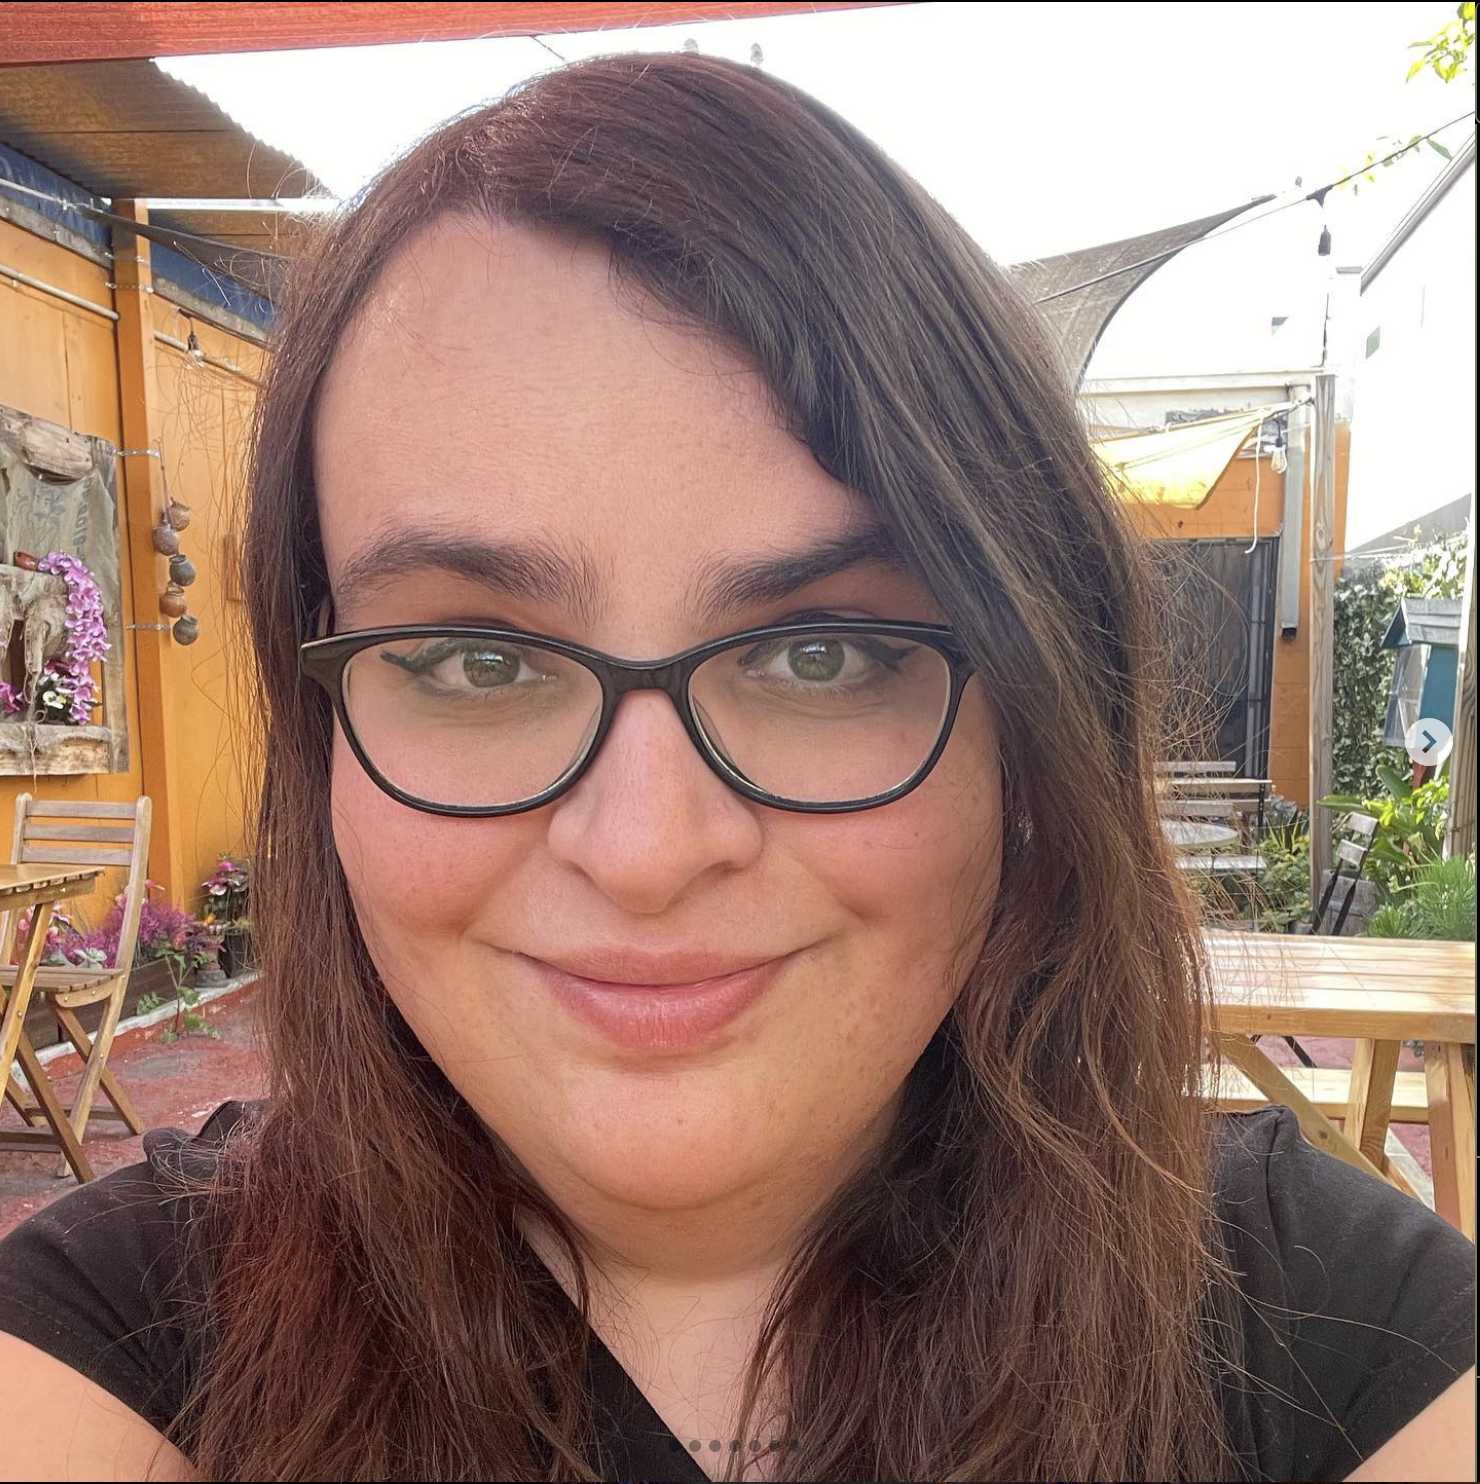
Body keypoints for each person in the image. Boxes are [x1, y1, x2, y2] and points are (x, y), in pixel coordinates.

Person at [0, 52, 1472, 1484]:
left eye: (820, 654)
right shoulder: (114, 1340)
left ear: (1035, 726)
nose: (644, 847)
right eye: (476, 660)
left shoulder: (1332, 1337)